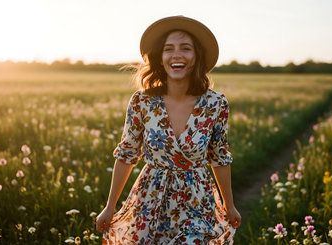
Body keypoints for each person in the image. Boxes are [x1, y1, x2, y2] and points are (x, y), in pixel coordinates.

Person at [96, 15, 241, 244]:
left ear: (196, 57)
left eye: (186, 48)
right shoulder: (142, 102)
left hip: (197, 202)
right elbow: (126, 155)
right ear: (160, 58)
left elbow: (219, 157)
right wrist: (109, 207)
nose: (176, 55)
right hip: (150, 201)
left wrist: (229, 205)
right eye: (168, 49)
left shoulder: (215, 104)